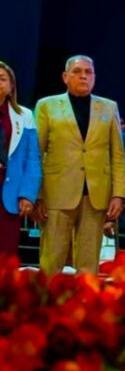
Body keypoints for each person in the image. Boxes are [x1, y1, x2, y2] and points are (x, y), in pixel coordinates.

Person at [34, 55, 125, 274]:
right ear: (65, 77)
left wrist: (118, 194)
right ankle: (48, 307)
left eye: (88, 72)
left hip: (96, 195)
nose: (83, 76)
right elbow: (36, 153)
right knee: (51, 262)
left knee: (88, 266)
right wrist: (37, 194)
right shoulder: (46, 106)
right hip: (56, 193)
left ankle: (86, 307)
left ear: (94, 77)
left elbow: (118, 156)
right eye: (77, 71)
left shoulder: (108, 107)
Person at [0, 62, 41, 256]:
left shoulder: (24, 115)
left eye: (2, 79)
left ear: (11, 87)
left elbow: (32, 159)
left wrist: (28, 194)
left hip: (9, 192)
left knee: (6, 254)